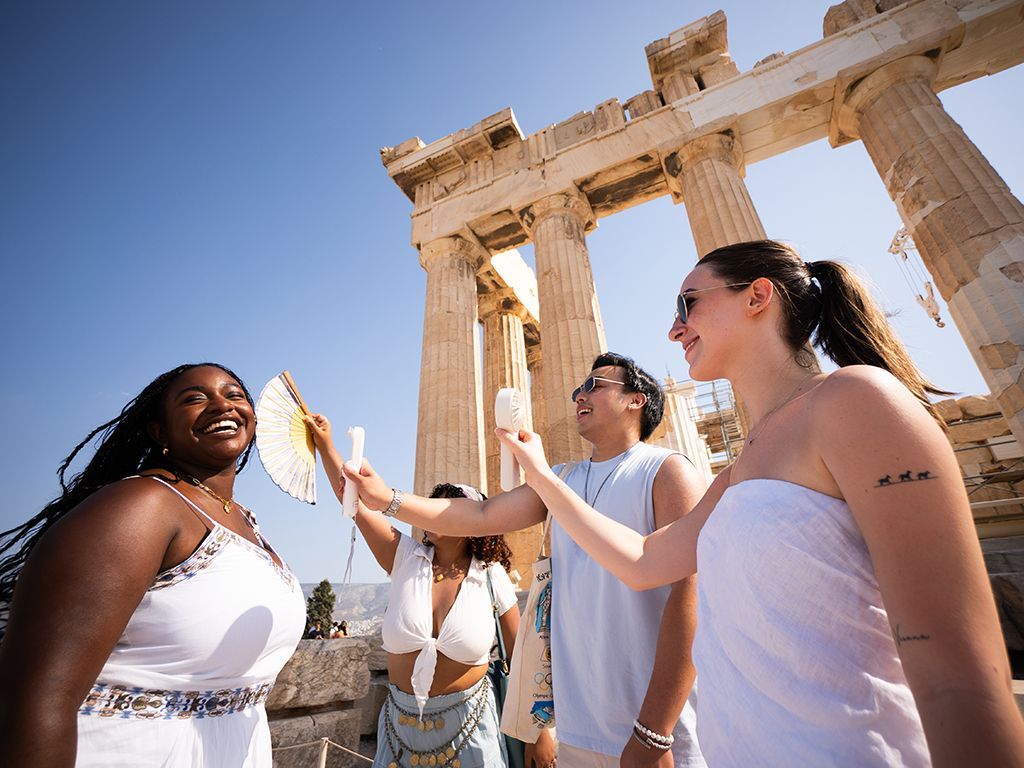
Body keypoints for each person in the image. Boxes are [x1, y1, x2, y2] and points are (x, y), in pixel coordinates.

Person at [490, 240, 1024, 766]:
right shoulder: (744, 464)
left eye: (687, 303)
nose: (674, 329)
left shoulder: (856, 400)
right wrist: (536, 474)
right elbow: (642, 562)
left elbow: (959, 676)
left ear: (757, 296)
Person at [338, 353, 707, 768]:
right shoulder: (560, 479)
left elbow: (692, 598)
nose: (579, 395)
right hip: (579, 725)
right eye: (577, 389)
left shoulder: (667, 471)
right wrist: (389, 499)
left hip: (655, 730)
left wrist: (654, 731)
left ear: (636, 400)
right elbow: (478, 516)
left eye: (595, 386)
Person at [0, 363, 306, 767]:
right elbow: (36, 697)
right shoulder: (140, 507)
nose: (221, 405)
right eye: (195, 398)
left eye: (234, 395)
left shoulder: (243, 520)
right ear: (159, 432)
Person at [306, 414, 554, 768]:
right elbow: (354, 501)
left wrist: (539, 733)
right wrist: (326, 446)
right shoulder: (405, 558)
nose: (433, 512)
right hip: (399, 734)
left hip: (473, 732)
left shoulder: (491, 576)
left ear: (470, 523)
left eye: (447, 508)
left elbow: (521, 659)